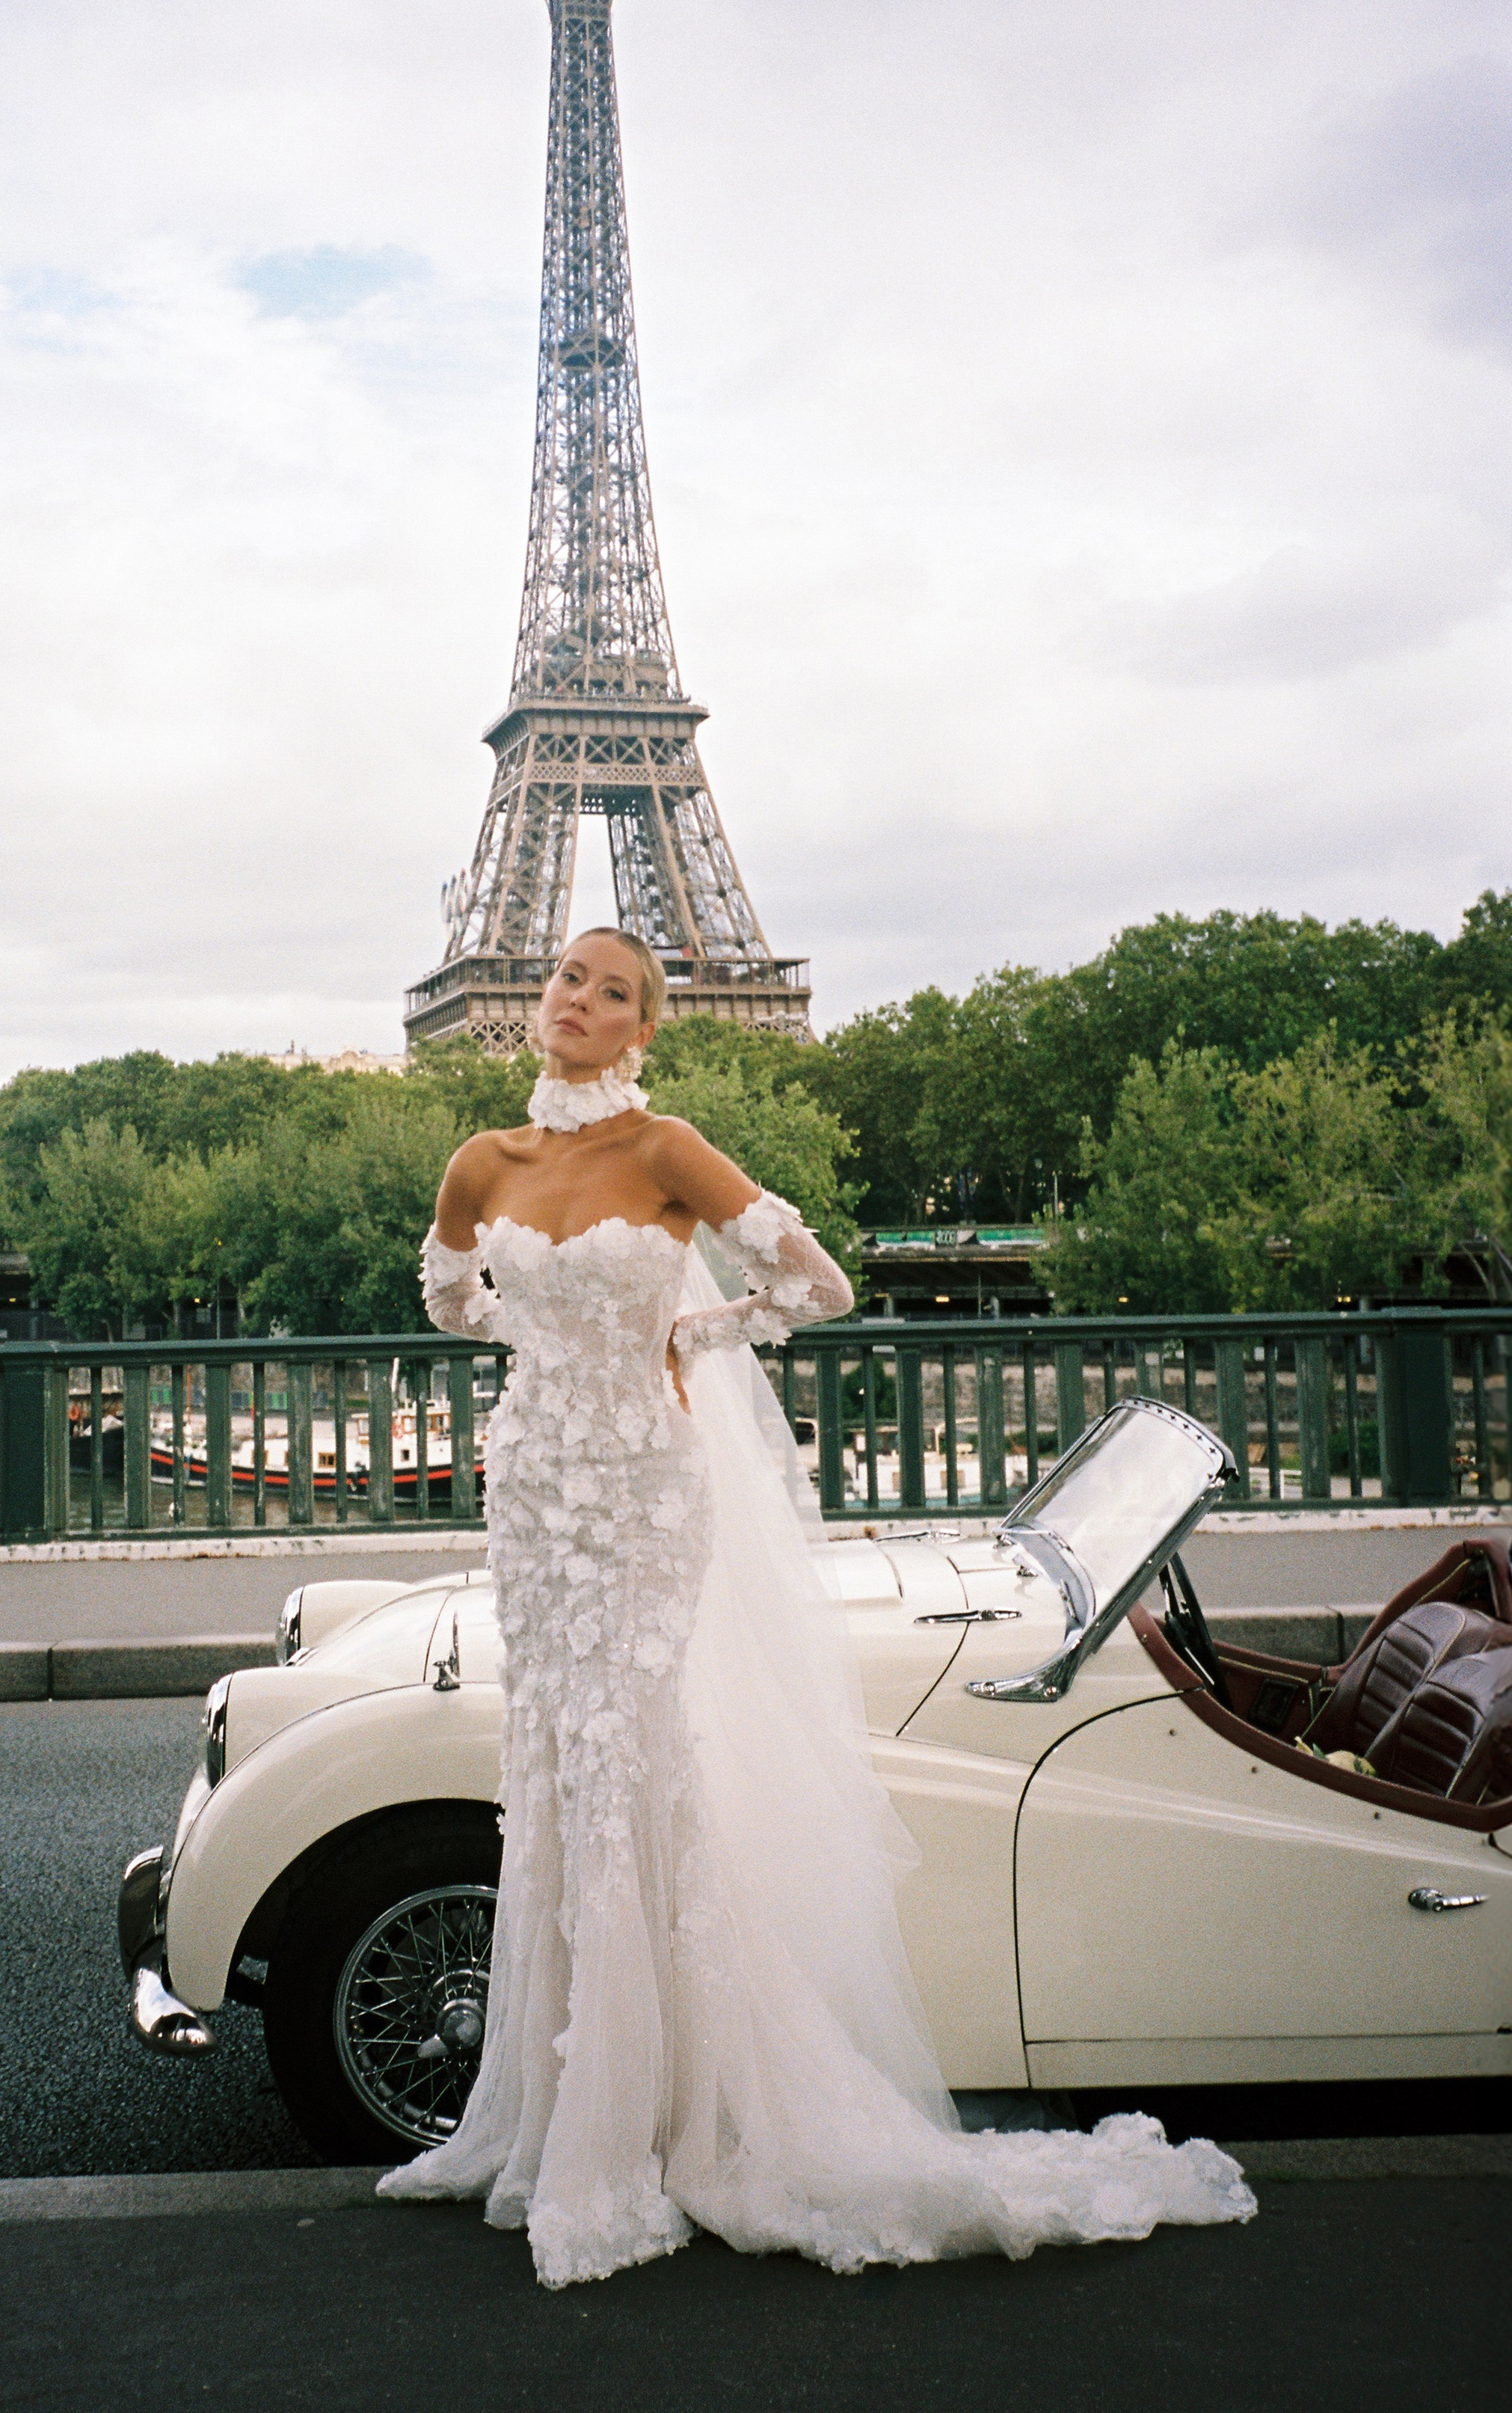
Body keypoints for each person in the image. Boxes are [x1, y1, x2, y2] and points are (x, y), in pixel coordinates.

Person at [379, 928, 1254, 2289]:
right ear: (538, 1000)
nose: (578, 1000)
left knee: (631, 1766)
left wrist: (681, 1336)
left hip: (647, 1497)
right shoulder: (482, 1161)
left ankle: (649, 2118)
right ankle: (579, 2106)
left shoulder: (666, 1149)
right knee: (553, 1766)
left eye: (614, 992)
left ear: (642, 1030)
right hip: (538, 1493)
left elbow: (816, 1284)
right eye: (567, 978)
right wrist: (543, 1348)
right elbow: (446, 1297)